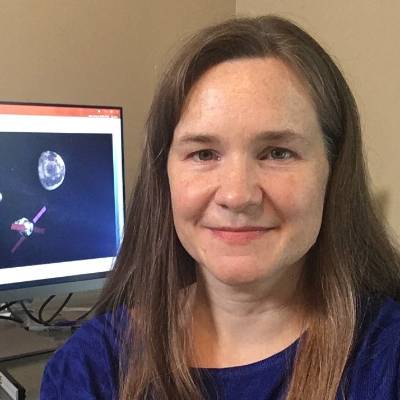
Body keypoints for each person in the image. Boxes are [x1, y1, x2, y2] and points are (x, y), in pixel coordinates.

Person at [40, 15, 400, 400]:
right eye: (204, 153)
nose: (237, 195)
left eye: (278, 152)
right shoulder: (92, 368)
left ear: (334, 170)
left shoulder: (387, 358)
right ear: (165, 176)